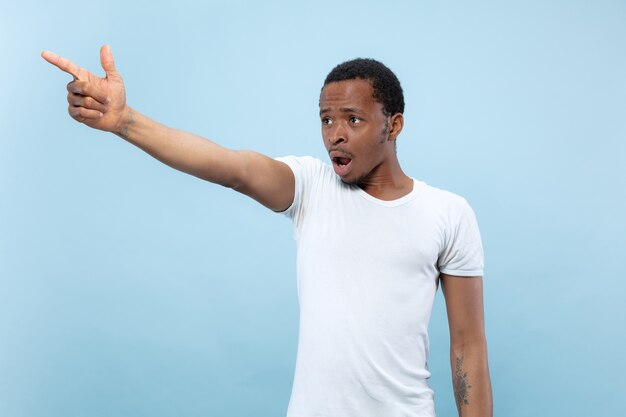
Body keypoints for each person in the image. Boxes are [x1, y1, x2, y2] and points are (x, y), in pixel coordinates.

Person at [42, 45, 493, 417]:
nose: (334, 134)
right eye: (326, 119)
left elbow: (467, 346)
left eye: (352, 119)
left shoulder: (448, 214)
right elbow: (232, 167)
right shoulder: (312, 187)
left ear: (393, 124)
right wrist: (125, 122)